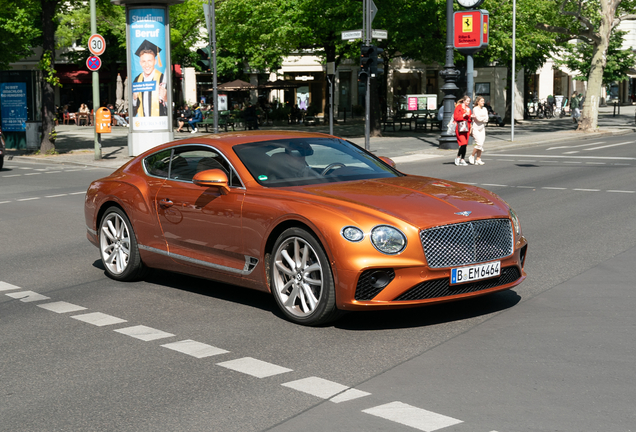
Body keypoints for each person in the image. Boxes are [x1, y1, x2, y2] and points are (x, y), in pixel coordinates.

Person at [132, 39, 167, 117]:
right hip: (142, 123)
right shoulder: (137, 80)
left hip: (159, 123)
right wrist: (134, 99)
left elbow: (170, 109)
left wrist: (166, 98)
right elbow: (133, 112)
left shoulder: (162, 78)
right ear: (140, 63)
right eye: (144, 61)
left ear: (155, 61)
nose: (146, 64)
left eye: (149, 61)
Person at [469, 96, 489, 165]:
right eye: (481, 101)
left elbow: (486, 119)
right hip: (476, 128)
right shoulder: (475, 109)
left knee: (481, 144)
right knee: (479, 143)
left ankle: (478, 159)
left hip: (482, 128)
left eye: (483, 101)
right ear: (477, 102)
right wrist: (482, 118)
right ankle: (472, 156)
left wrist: (482, 118)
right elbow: (478, 119)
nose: (483, 102)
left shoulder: (485, 109)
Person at [453, 95, 472, 166]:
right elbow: (456, 117)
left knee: (465, 145)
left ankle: (462, 159)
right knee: (463, 143)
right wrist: (463, 115)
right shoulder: (459, 107)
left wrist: (471, 117)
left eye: (469, 101)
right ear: (463, 101)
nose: (468, 102)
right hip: (460, 128)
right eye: (467, 101)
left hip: (466, 128)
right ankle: (458, 157)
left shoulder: (468, 109)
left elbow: (469, 120)